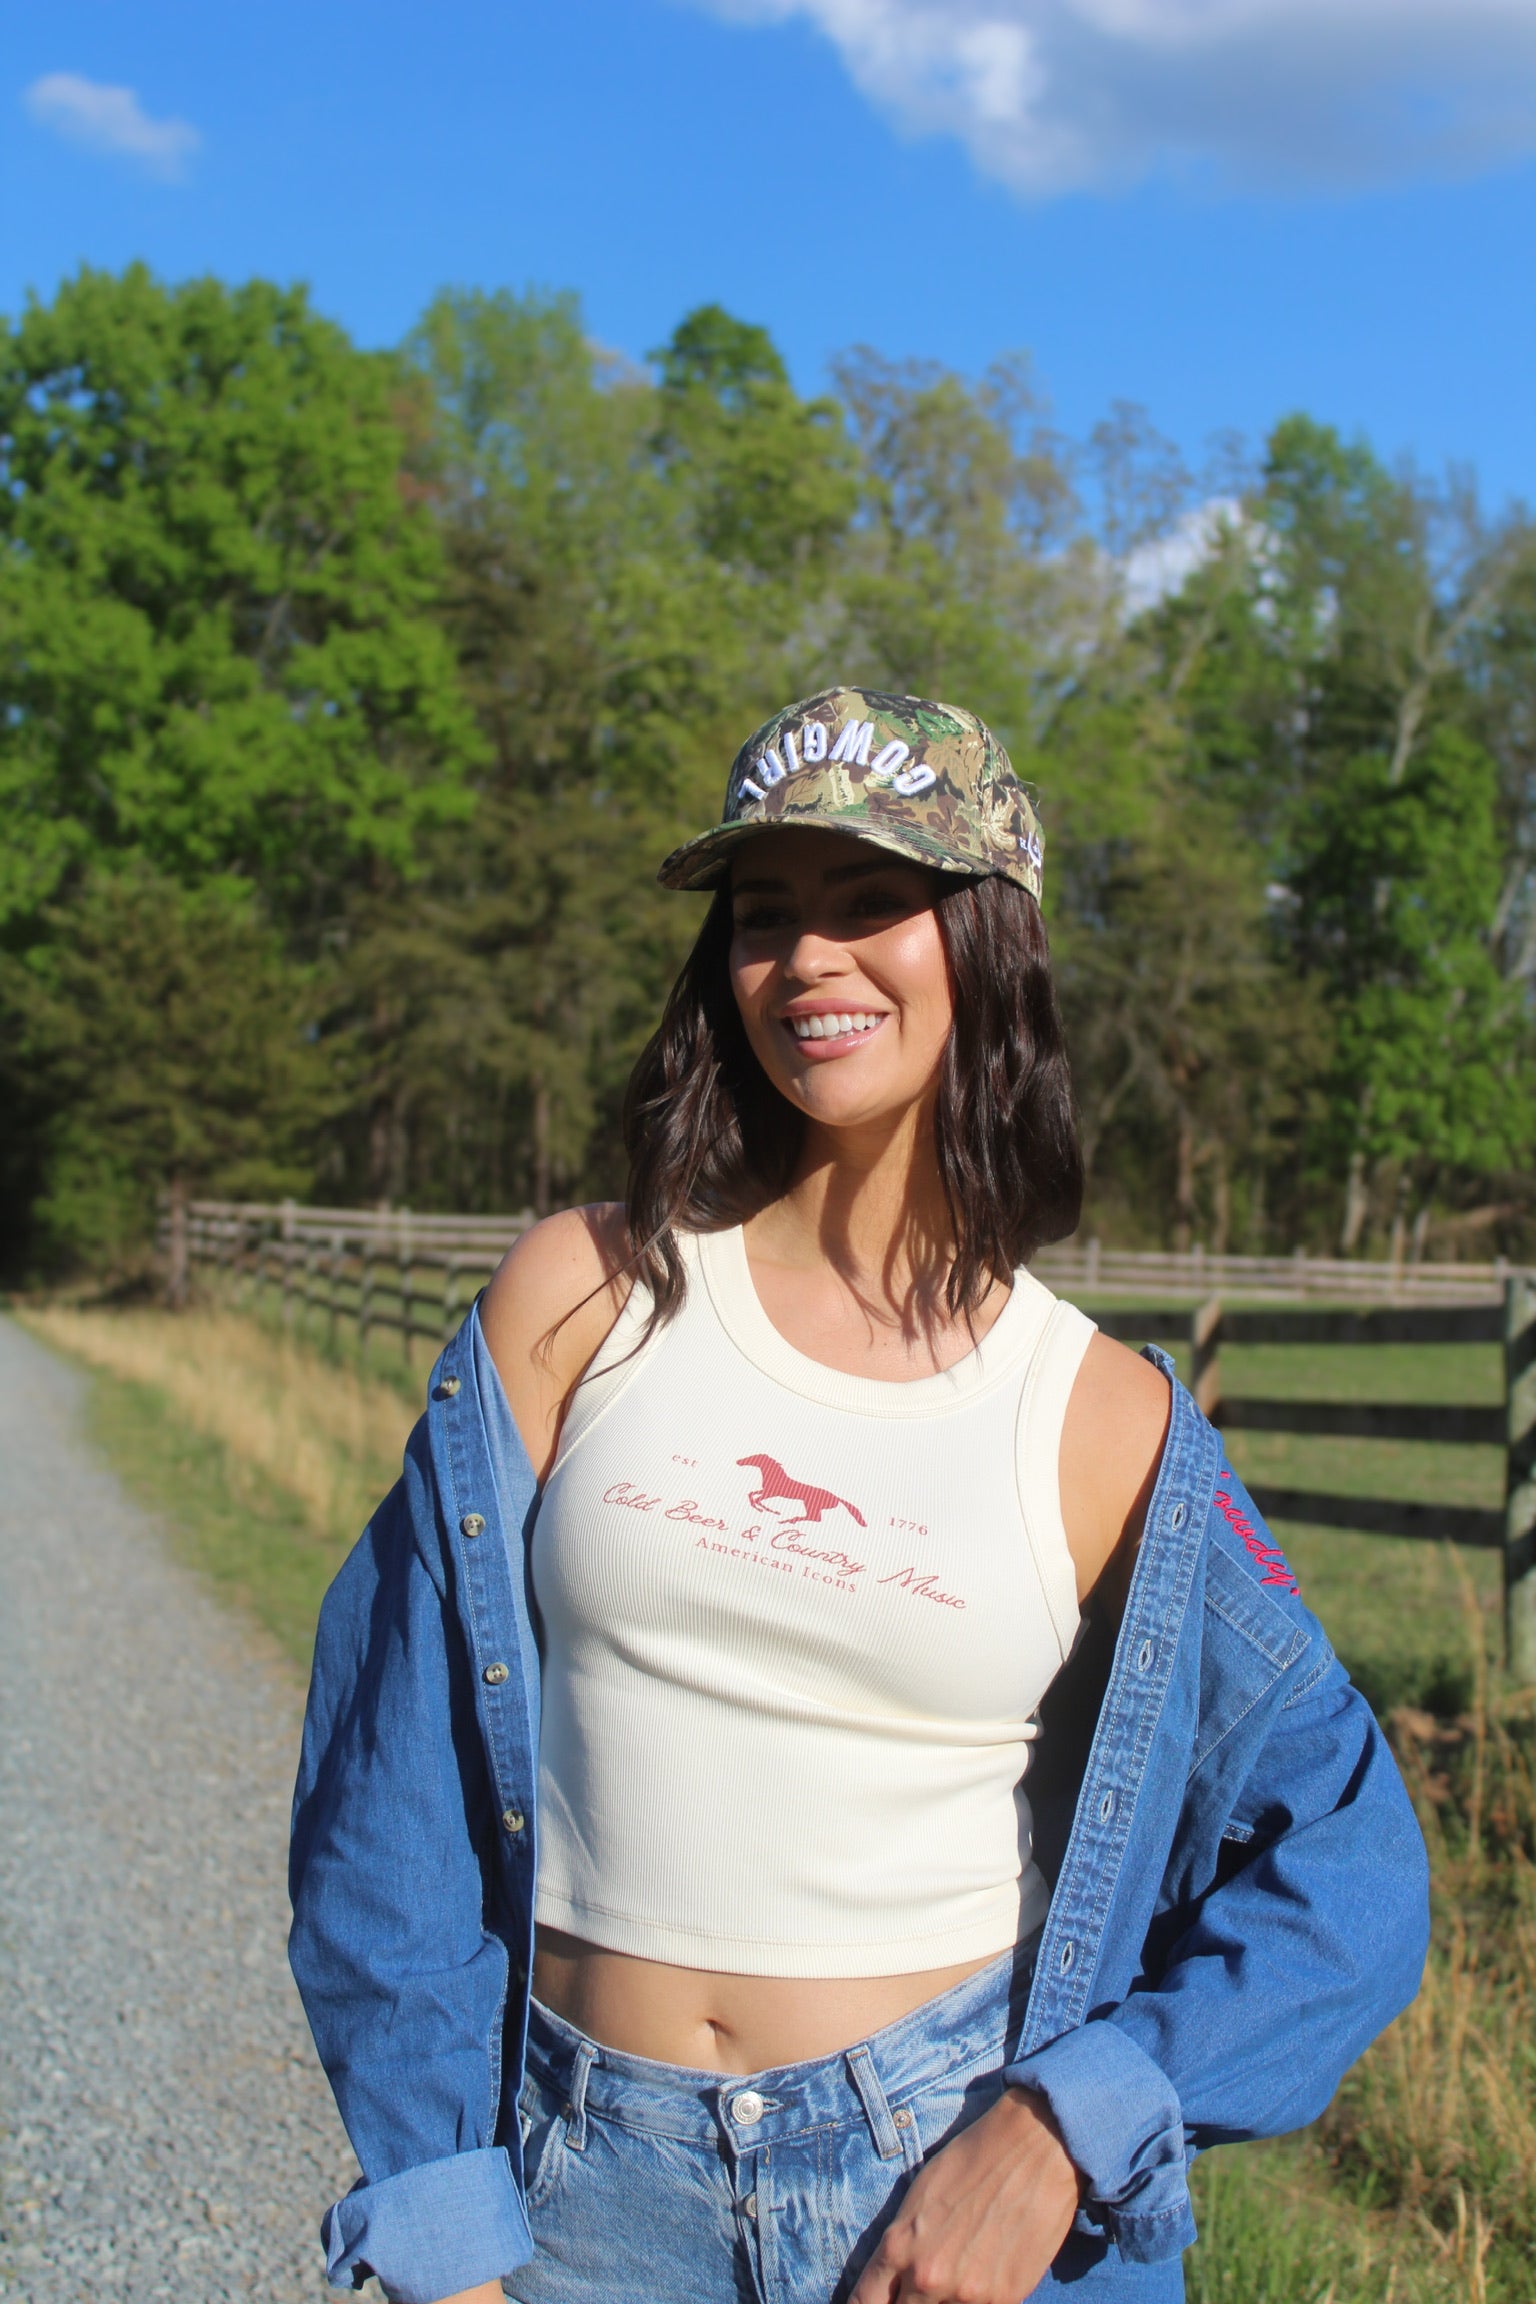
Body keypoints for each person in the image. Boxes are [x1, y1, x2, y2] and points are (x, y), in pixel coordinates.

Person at [289, 687, 1429, 2304]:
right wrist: (437, 2207)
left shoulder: (1101, 1416)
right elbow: (384, 1779)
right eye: (765, 915)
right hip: (578, 2198)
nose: (808, 959)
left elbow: (1351, 1855)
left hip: (934, 2194)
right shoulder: (582, 1298)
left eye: (871, 902)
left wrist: (1059, 2132)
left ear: (985, 941)